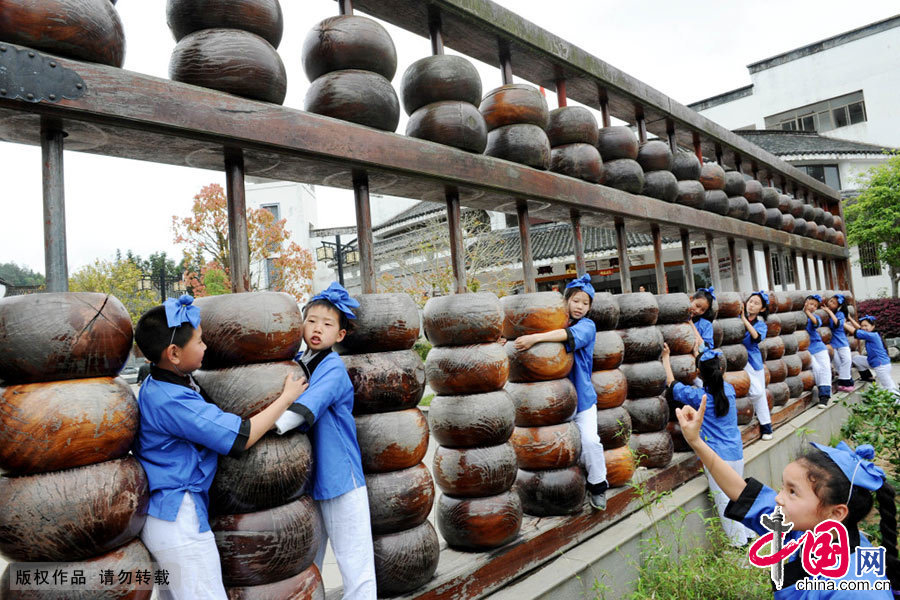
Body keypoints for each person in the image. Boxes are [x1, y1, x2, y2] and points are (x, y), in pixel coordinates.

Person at [133, 295, 307, 600]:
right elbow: (242, 436)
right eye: (199, 342)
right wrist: (286, 398)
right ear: (173, 353)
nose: (206, 347)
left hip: (164, 516)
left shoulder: (163, 383)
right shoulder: (173, 401)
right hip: (179, 520)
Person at [676, 398, 898, 598]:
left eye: (793, 492)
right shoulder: (800, 531)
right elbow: (741, 492)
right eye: (783, 488)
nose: (778, 499)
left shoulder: (859, 589)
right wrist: (696, 441)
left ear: (835, 513)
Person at [274, 282, 377, 599]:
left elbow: (298, 412)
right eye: (312, 320)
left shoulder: (331, 367)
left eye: (327, 324)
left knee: (354, 562)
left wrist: (258, 427)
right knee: (309, 559)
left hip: (340, 477)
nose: (317, 328)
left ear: (340, 335)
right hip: (314, 479)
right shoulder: (302, 360)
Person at [514, 274, 610, 510]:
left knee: (589, 442)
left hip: (581, 398)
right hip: (550, 400)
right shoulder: (552, 323)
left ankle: (598, 486)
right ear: (566, 301)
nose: (580, 307)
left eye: (585, 303)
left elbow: (566, 336)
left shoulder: (587, 326)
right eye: (576, 301)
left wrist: (535, 338)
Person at [662, 344, 754, 546]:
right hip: (736, 453)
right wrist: (700, 357)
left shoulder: (698, 397)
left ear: (700, 373)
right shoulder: (728, 390)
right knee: (738, 495)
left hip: (717, 458)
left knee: (724, 501)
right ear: (721, 370)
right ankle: (748, 535)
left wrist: (666, 359)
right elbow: (708, 379)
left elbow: (672, 384)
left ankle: (739, 545)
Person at [741, 291, 773, 440]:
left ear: (762, 309)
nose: (751, 304)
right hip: (740, 361)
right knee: (758, 392)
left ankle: (766, 426)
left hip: (754, 361)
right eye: (750, 301)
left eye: (756, 303)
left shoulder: (760, 325)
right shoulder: (736, 320)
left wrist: (744, 320)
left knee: (759, 394)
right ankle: (762, 423)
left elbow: (756, 337)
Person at [847, 315, 900, 401]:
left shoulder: (873, 336)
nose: (864, 328)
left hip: (881, 366)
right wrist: (849, 318)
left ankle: (898, 404)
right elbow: (859, 329)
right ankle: (867, 377)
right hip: (874, 362)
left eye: (866, 326)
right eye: (862, 325)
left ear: (873, 326)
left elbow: (855, 331)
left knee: (889, 387)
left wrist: (841, 323)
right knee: (856, 359)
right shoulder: (871, 333)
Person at [803, 295, 832, 409]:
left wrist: (808, 312)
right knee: (816, 369)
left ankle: (824, 396)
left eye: (815, 306)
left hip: (818, 347)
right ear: (805, 303)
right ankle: (820, 392)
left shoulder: (815, 317)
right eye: (811, 304)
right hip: (807, 350)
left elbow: (816, 323)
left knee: (825, 368)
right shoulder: (798, 317)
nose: (813, 307)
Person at [824, 294, 853, 392]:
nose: (830, 303)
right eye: (830, 301)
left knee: (847, 360)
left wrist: (828, 311)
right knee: (837, 363)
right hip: (833, 343)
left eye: (833, 303)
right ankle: (845, 383)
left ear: (838, 306)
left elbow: (837, 324)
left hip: (842, 341)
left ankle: (845, 381)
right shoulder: (826, 313)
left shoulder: (840, 314)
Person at [690, 287, 717, 353]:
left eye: (703, 310)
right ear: (691, 299)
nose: (698, 311)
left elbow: (705, 349)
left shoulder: (706, 325)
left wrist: (690, 322)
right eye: (697, 306)